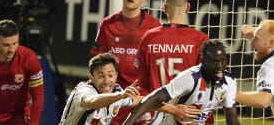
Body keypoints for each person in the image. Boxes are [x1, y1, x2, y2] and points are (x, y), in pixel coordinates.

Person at [90, 0, 161, 124]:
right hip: (115, 95)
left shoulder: (154, 26)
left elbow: (158, 65)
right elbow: (97, 62)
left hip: (142, 97)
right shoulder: (107, 24)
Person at [135, 0, 209, 124]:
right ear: (187, 8)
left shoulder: (148, 37)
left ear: (164, 8)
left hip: (155, 114)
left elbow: (143, 84)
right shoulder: (200, 40)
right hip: (186, 116)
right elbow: (205, 87)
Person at [59, 52, 200, 125]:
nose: (106, 81)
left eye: (110, 75)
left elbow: (140, 101)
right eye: (100, 76)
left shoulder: (116, 93)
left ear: (116, 75)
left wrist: (173, 109)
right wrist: (121, 96)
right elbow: (92, 102)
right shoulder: (84, 91)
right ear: (91, 77)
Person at [123, 40, 241, 125]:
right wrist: (128, 123)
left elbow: (232, 120)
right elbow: (153, 98)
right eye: (214, 62)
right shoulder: (190, 78)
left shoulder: (229, 82)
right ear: (203, 62)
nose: (220, 66)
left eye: (223, 61)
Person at [0, 20, 44, 125]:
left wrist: (33, 123)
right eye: (6, 45)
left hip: (17, 116)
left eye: (15, 43)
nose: (11, 50)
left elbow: (38, 96)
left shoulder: (30, 59)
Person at [236, 20, 274, 124]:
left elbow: (263, 100)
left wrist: (228, 93)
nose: (252, 42)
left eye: (256, 38)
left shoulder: (272, 65)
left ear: (271, 43)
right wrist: (256, 31)